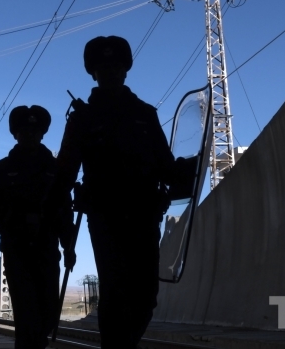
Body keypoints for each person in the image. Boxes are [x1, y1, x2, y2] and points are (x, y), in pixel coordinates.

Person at [53, 36, 177, 349]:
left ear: (125, 69)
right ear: (93, 72)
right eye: (103, 67)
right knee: (115, 292)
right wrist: (60, 225)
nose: (110, 72)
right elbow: (64, 174)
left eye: (116, 66)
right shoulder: (83, 118)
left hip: (144, 214)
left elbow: (166, 165)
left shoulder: (145, 114)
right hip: (105, 216)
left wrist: (188, 170)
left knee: (146, 296)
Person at [0, 106, 75, 349]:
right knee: (25, 312)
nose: (30, 135)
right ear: (15, 134)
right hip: (16, 247)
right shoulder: (1, 170)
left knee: (49, 311)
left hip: (47, 245)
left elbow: (65, 211)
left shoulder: (56, 170)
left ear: (42, 134)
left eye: (35, 131)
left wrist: (69, 247)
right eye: (24, 131)